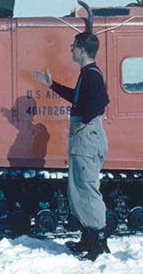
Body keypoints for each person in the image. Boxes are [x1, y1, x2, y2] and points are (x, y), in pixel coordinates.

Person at [33, 28, 110, 261]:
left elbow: (100, 103)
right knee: (79, 189)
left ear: (83, 50)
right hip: (83, 138)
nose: (71, 50)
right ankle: (88, 238)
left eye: (74, 46)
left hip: (86, 137)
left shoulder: (92, 75)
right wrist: (51, 85)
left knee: (86, 188)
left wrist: (83, 122)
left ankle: (97, 244)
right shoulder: (87, 73)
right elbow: (80, 98)